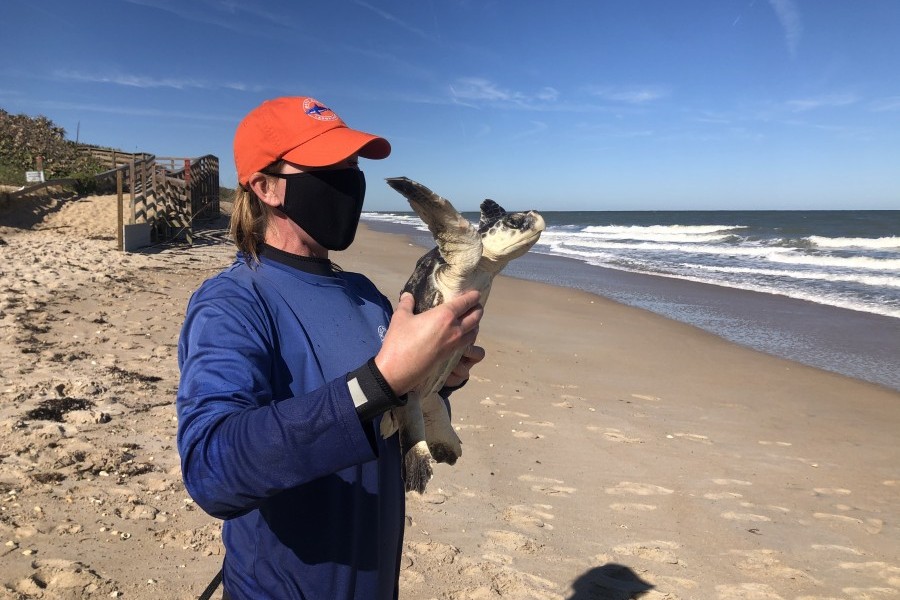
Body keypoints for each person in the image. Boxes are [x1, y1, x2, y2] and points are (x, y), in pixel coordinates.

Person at [176, 96, 486, 600]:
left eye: (352, 167)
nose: (348, 181)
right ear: (266, 186)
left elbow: (395, 411)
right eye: (329, 167)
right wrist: (380, 381)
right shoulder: (231, 302)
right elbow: (212, 469)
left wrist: (439, 378)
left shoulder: (364, 294)